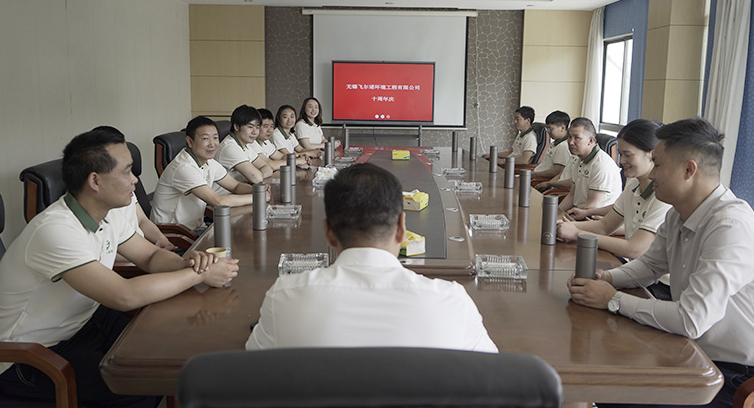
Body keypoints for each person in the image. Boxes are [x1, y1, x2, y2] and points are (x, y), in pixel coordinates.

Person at [0, 127, 238, 407]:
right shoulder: (55, 230)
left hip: (83, 321)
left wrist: (187, 262)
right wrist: (197, 274)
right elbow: (124, 295)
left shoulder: (109, 213)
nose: (135, 179)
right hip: (28, 355)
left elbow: (150, 256)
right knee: (140, 382)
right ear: (95, 180)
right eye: (127, 171)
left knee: (167, 346)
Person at [568, 118, 754, 408]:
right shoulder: (679, 213)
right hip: (698, 352)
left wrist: (613, 300)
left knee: (610, 393)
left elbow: (691, 319)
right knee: (601, 375)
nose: (651, 173)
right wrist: (606, 279)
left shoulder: (731, 227)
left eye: (657, 164)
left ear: (688, 170)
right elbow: (649, 266)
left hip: (746, 380)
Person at [246, 163, 497, 352]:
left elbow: (253, 373)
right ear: (401, 228)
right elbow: (492, 377)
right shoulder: (452, 303)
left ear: (328, 233)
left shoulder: (284, 297)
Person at [557, 119, 670, 260]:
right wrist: (569, 226)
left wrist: (577, 233)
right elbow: (604, 225)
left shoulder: (664, 195)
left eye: (628, 155)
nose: (621, 161)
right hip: (635, 267)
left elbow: (634, 250)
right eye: (621, 154)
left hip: (647, 271)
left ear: (651, 154)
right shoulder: (633, 183)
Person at [151, 116, 262, 231]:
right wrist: (258, 197)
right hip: (174, 233)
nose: (212, 144)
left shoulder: (209, 162)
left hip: (196, 227)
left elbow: (236, 186)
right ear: (190, 141)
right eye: (205, 138)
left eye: (215, 138)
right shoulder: (184, 167)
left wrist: (257, 190)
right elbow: (218, 201)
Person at [557, 117, 622, 218]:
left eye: (577, 138)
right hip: (579, 212)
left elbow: (592, 205)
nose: (570, 142)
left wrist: (567, 216)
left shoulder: (600, 164)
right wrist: (556, 212)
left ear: (590, 141)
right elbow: (572, 196)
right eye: (569, 137)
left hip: (594, 218)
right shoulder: (579, 159)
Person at [215, 105, 273, 189]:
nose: (255, 132)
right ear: (236, 127)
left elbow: (267, 168)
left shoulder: (246, 145)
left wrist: (256, 177)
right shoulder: (230, 147)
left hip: (241, 192)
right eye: (250, 127)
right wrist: (255, 177)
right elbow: (256, 178)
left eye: (257, 127)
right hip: (226, 195)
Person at [531, 110, 571, 180]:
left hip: (541, 180)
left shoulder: (563, 147)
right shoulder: (554, 144)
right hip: (536, 175)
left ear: (562, 128)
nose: (548, 131)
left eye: (551, 128)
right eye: (547, 128)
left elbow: (557, 172)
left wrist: (534, 174)